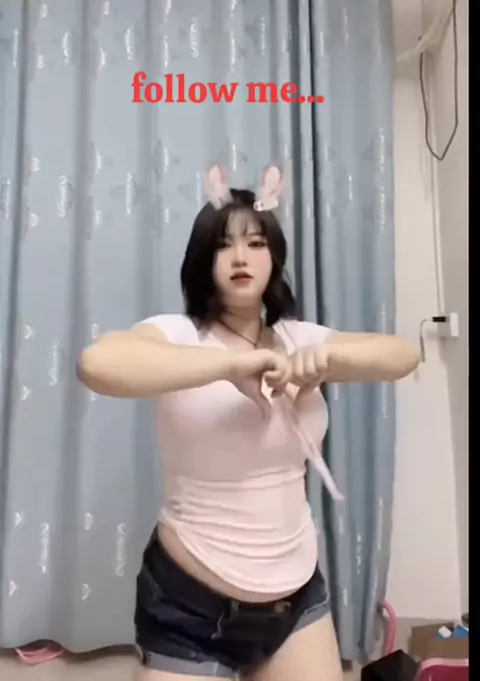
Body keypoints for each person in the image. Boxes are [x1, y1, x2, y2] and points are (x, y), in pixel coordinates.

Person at [77, 165, 420, 681]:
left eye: (256, 243)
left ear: (274, 257)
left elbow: (402, 355)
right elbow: (97, 364)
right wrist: (230, 365)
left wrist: (324, 359)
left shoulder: (301, 337)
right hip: (188, 606)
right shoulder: (176, 335)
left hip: (295, 603)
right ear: (203, 261)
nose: (241, 257)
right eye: (224, 245)